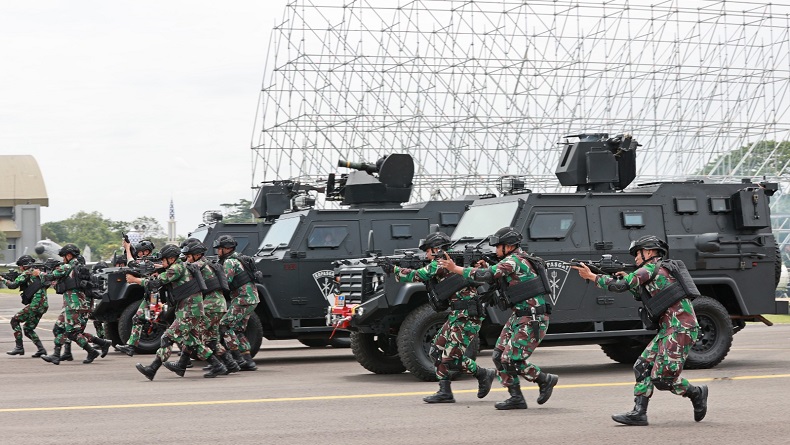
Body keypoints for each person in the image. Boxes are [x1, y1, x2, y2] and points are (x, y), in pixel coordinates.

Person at [572, 235, 708, 425]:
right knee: (642, 366)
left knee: (662, 379)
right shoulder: (656, 271)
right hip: (668, 329)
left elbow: (621, 287)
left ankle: (696, 392)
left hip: (680, 328)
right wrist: (619, 276)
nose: (635, 258)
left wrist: (593, 277)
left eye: (638, 253)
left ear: (650, 253)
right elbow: (637, 291)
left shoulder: (652, 268)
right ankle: (639, 413)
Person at [438, 227, 558, 410]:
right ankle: (516, 397)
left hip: (532, 316)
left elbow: (487, 275)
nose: (495, 250)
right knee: (498, 356)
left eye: (498, 246)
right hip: (520, 316)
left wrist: (456, 269)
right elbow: (494, 274)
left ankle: (543, 379)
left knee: (512, 359)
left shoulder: (514, 260)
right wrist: (485, 267)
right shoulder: (516, 259)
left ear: (508, 246)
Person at [381, 231, 496, 403]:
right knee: (436, 351)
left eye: (428, 250)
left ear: (436, 249)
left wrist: (394, 269)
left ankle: (483, 373)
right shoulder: (444, 263)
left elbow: (418, 275)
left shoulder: (442, 263)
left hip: (467, 316)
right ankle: (445, 392)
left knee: (451, 357)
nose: (426, 254)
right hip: (456, 315)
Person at [128, 244, 227, 380]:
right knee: (192, 342)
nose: (162, 262)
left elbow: (156, 283)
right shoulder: (179, 266)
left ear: (172, 258)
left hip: (189, 311)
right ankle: (217, 365)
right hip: (190, 310)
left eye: (163, 260)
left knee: (167, 337)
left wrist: (135, 280)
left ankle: (152, 368)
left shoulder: (177, 268)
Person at [35, 244, 111, 365]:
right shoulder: (76, 266)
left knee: (72, 333)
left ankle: (91, 351)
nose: (63, 259)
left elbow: (49, 277)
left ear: (69, 255)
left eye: (64, 257)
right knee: (59, 328)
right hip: (72, 303)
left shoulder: (68, 266)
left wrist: (38, 273)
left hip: (74, 304)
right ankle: (100, 344)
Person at [179, 240, 240, 375]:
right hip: (218, 304)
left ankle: (216, 365)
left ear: (196, 255)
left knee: (195, 335)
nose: (187, 258)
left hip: (210, 306)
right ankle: (230, 363)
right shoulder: (208, 263)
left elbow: (181, 270)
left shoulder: (199, 264)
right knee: (211, 339)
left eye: (189, 255)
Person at [214, 235, 259, 371]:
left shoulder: (229, 262)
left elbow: (225, 282)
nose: (217, 251)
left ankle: (236, 359)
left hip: (243, 299)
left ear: (227, 249)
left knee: (225, 325)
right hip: (250, 298)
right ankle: (248, 361)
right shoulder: (238, 258)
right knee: (238, 330)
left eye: (220, 248)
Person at [115, 239, 158, 356]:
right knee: (137, 319)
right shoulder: (150, 262)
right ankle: (131, 346)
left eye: (140, 252)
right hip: (151, 296)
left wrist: (128, 248)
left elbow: (131, 263)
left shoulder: (151, 263)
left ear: (147, 252)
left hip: (159, 298)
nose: (138, 255)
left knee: (163, 323)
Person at [2, 255, 49, 357]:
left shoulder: (27, 272)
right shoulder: (35, 272)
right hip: (43, 305)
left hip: (36, 304)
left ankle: (19, 347)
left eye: (20, 266)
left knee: (14, 320)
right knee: (28, 328)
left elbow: (13, 285)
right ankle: (41, 350)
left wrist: (2, 279)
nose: (20, 268)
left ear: (25, 265)